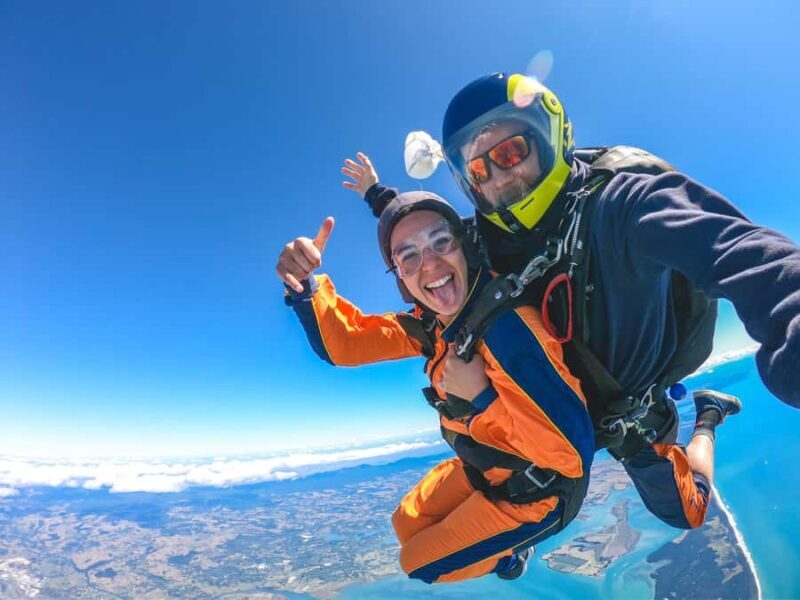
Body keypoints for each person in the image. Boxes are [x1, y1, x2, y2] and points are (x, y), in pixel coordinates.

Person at [342, 71, 797, 532]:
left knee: (686, 512)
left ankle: (709, 415)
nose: (499, 176)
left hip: (629, 417)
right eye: (479, 170)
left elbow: (738, 250)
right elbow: (427, 240)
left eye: (510, 152)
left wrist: (789, 311)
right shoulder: (483, 241)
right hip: (554, 418)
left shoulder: (621, 206)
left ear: (549, 136)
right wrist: (379, 197)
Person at [277, 188, 738, 583]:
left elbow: (570, 457)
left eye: (441, 241)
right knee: (406, 523)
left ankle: (708, 416)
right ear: (400, 277)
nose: (428, 263)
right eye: (408, 257)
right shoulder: (433, 323)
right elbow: (347, 344)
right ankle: (505, 546)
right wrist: (305, 288)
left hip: (537, 490)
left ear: (465, 246)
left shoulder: (507, 332)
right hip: (490, 463)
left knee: (418, 561)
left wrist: (481, 397)